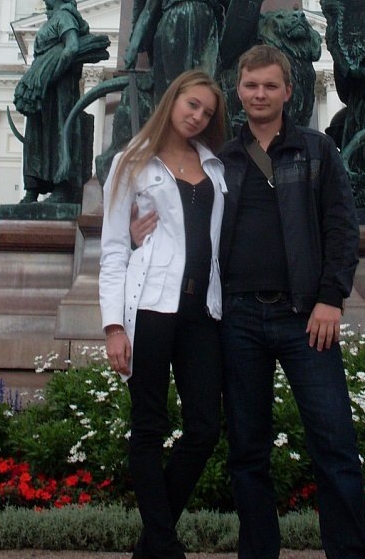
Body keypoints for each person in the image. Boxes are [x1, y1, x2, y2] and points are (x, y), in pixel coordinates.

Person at [218, 44, 365, 559]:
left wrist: (331, 298)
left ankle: (349, 553)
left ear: (288, 91)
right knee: (247, 450)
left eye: (270, 85)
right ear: (238, 90)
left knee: (334, 443)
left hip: (305, 316)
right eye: (251, 85)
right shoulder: (223, 158)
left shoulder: (317, 149)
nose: (260, 94)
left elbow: (342, 226)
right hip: (239, 317)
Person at [99, 70, 228, 559]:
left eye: (207, 113)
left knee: (204, 428)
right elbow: (114, 249)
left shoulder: (215, 166)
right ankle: (166, 547)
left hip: (202, 310)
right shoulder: (131, 163)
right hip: (151, 306)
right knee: (149, 426)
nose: (197, 117)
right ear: (173, 100)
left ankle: (151, 545)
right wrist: (114, 326)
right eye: (192, 105)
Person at [13, 0, 109, 204]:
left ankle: (62, 187)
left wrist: (51, 73)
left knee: (59, 131)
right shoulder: (53, 19)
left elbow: (72, 47)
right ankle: (33, 189)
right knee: (36, 136)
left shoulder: (65, 17)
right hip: (43, 88)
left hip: (59, 88)